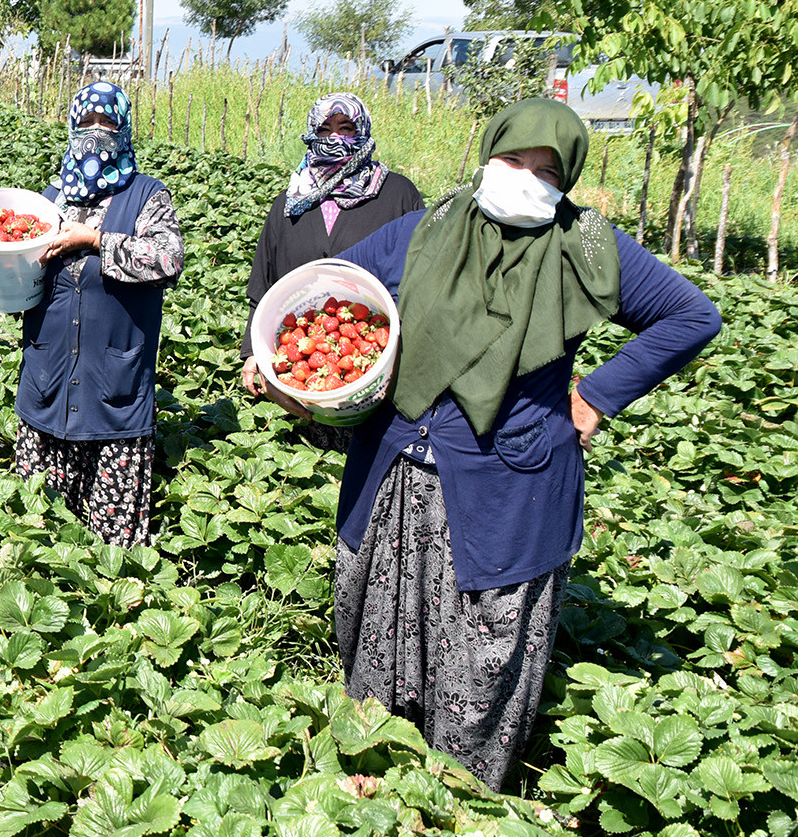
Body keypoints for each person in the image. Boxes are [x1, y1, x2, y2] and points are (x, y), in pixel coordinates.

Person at [309, 98, 719, 789]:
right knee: (378, 633)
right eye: (511, 160)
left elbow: (691, 316)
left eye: (545, 169)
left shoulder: (588, 244)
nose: (524, 177)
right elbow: (325, 291)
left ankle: (458, 808)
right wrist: (286, 360)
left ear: (567, 180)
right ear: (486, 154)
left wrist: (595, 396)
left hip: (507, 486)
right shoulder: (426, 229)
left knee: (481, 652)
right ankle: (372, 785)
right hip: (397, 479)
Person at [0, 81, 184, 548]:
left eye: (107, 122)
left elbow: (168, 260)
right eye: (86, 122)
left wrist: (96, 240)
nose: (96, 132)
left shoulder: (146, 196)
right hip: (48, 384)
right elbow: (23, 280)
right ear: (70, 126)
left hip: (114, 396)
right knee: (40, 538)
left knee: (111, 552)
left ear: (125, 128)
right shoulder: (47, 201)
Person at [240, 94, 425, 446]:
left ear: (363, 132)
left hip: (378, 370)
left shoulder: (397, 193)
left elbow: (422, 272)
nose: (334, 138)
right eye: (324, 129)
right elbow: (264, 283)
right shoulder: (291, 201)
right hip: (302, 376)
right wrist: (252, 353)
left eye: (346, 128)